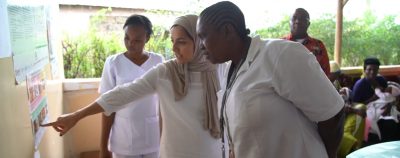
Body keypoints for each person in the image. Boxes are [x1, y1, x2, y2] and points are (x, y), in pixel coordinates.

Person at [42, 15, 224, 158]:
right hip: (174, 153)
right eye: (172, 42)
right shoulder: (166, 72)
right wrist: (78, 115)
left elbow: (231, 114)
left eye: (182, 41)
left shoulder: (219, 70)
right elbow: (122, 93)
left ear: (199, 40)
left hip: (210, 151)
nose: (175, 48)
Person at [196, 1, 344, 158]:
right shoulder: (229, 71)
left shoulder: (280, 55)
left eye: (203, 36)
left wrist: (329, 155)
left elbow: (332, 113)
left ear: (227, 30)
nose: (200, 46)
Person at [98, 15, 164, 158]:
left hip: (153, 137)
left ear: (147, 38)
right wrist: (103, 146)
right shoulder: (113, 63)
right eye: (127, 38)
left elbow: (165, 103)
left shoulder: (159, 61)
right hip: (123, 139)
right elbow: (107, 106)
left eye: (137, 40)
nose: (130, 43)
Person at [283, 8, 331, 77]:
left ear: (308, 24)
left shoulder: (319, 45)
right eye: (294, 18)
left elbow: (326, 73)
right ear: (289, 22)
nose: (297, 21)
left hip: (313, 86)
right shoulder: (280, 44)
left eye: (302, 19)